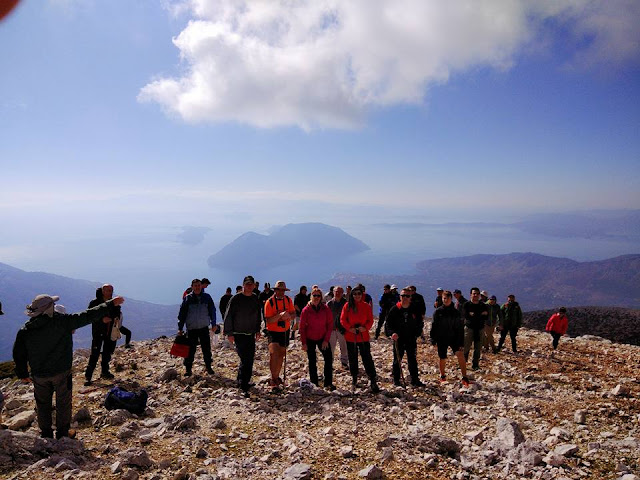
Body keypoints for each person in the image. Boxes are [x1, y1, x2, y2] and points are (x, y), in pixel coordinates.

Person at [13, 293, 125, 438]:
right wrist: (110, 304)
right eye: (53, 305)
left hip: (39, 374)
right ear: (48, 308)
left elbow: (19, 354)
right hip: (61, 372)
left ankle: (46, 433)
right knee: (63, 403)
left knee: (42, 404)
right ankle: (63, 433)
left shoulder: (25, 330)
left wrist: (22, 373)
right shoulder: (63, 322)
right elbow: (88, 315)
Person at [224, 276, 262, 397]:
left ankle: (242, 380)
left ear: (254, 286)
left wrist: (257, 330)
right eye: (247, 284)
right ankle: (243, 385)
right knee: (245, 359)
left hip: (250, 334)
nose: (249, 286)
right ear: (243, 285)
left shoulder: (255, 298)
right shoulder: (236, 298)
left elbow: (258, 315)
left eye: (251, 284)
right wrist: (229, 333)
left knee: (249, 358)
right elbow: (228, 315)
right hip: (238, 334)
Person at [340, 286, 379, 393]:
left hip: (363, 336)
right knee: (352, 359)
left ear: (362, 295)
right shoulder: (347, 306)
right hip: (351, 336)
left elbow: (370, 320)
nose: (357, 296)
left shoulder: (366, 306)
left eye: (359, 294)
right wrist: (350, 328)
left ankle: (372, 379)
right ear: (352, 295)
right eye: (355, 294)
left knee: (367, 358)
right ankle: (354, 379)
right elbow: (342, 319)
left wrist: (365, 328)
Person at [385, 287, 424, 387]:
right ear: (400, 297)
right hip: (399, 339)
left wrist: (417, 333)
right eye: (403, 295)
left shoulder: (414, 309)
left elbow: (420, 322)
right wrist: (392, 333)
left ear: (410, 297)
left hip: (411, 338)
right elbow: (388, 324)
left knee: (412, 359)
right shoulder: (395, 309)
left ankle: (415, 380)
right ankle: (396, 380)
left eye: (407, 296)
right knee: (397, 360)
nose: (405, 298)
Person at [177, 278, 217, 376]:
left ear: (201, 286)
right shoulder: (187, 298)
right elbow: (182, 314)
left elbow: (212, 310)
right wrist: (180, 328)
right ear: (192, 287)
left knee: (206, 349)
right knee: (190, 350)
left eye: (199, 285)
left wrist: (214, 323)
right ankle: (188, 369)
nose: (197, 287)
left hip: (204, 328)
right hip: (192, 329)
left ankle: (208, 367)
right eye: (195, 286)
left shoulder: (207, 297)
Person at [430, 290, 469, 386]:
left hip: (454, 337)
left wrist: (461, 342)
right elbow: (434, 326)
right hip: (441, 338)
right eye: (444, 298)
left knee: (460, 355)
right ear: (442, 298)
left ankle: (465, 377)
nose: (446, 300)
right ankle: (442, 376)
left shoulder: (456, 312)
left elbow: (460, 328)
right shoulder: (438, 312)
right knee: (442, 357)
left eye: (447, 298)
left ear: (451, 299)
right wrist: (433, 339)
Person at [84, 284, 120, 385]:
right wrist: (101, 320)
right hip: (98, 332)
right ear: (103, 291)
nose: (110, 292)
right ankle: (88, 376)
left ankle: (105, 372)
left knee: (107, 353)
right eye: (108, 290)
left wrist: (114, 318)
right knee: (94, 354)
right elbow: (89, 316)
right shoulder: (94, 303)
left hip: (110, 332)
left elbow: (117, 314)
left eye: (111, 290)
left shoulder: (114, 303)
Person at [300, 288, 335, 390]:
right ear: (311, 296)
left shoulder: (325, 309)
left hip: (322, 337)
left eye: (318, 296)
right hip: (310, 338)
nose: (316, 298)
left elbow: (330, 325)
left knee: (328, 358)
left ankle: (328, 383)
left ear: (321, 297)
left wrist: (326, 340)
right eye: (314, 295)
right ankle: (314, 382)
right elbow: (302, 328)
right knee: (312, 360)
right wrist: (304, 342)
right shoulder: (306, 310)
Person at [264, 280, 296, 390]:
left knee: (281, 354)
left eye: (283, 290)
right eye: (279, 290)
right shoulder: (269, 302)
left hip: (285, 331)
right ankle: (273, 378)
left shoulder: (288, 300)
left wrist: (289, 317)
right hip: (273, 332)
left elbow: (293, 313)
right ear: (275, 290)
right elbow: (268, 320)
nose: (281, 292)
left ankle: (277, 376)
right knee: (274, 353)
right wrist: (280, 316)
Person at [463, 287, 489, 370]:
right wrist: (480, 314)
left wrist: (474, 314)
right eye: (474, 293)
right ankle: (463, 363)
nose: (476, 295)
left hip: (480, 328)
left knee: (478, 348)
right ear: (470, 294)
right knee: (466, 346)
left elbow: (486, 316)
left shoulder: (483, 305)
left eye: (477, 294)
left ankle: (475, 365)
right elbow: (466, 316)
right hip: (469, 328)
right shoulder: (466, 304)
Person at [327, 286, 349, 370]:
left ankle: (344, 363)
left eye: (340, 292)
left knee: (344, 347)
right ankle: (329, 363)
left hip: (342, 329)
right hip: (331, 329)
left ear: (342, 293)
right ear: (333, 292)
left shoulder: (346, 303)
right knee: (331, 347)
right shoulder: (329, 303)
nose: (338, 293)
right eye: (336, 291)